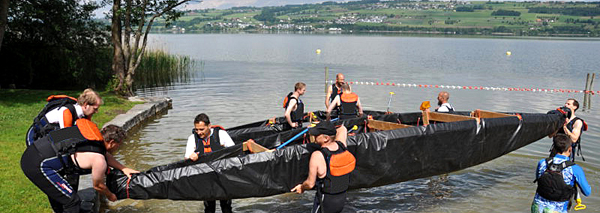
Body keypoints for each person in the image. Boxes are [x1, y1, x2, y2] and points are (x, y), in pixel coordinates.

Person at [21, 120, 138, 213]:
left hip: (34, 151)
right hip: (37, 165)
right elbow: (98, 186)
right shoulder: (98, 160)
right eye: (119, 144)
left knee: (61, 196)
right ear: (112, 142)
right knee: (72, 201)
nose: (118, 148)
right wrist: (110, 195)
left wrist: (123, 168)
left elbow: (104, 153)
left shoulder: (89, 134)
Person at [291, 121, 355, 213]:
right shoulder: (342, 145)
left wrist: (302, 187)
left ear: (326, 138)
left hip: (325, 202)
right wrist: (330, 129)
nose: (314, 137)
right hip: (341, 199)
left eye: (317, 135)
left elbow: (310, 184)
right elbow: (343, 129)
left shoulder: (318, 155)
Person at [184, 113, 234, 213]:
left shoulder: (221, 135)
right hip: (206, 177)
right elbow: (187, 158)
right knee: (209, 208)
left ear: (209, 126)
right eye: (197, 129)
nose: (199, 132)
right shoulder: (192, 139)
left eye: (202, 129)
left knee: (226, 206)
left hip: (223, 175)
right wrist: (191, 156)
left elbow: (234, 151)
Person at [531, 134, 591, 213]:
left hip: (537, 207)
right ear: (570, 149)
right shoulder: (575, 169)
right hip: (557, 209)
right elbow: (587, 192)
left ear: (554, 148)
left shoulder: (542, 162)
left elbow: (539, 180)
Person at [26, 88, 103, 146]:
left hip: (50, 136)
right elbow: (65, 138)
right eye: (95, 109)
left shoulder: (83, 115)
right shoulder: (67, 112)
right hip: (35, 138)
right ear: (86, 105)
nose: (96, 112)